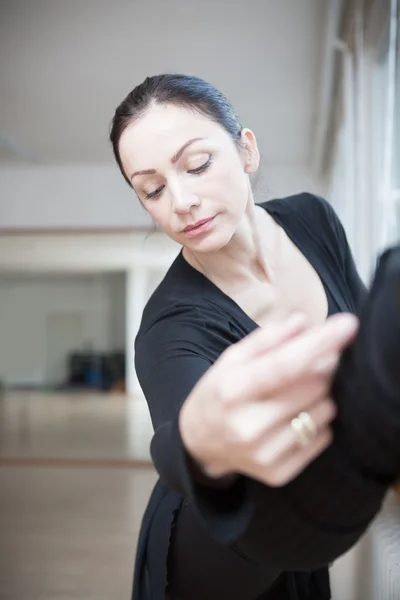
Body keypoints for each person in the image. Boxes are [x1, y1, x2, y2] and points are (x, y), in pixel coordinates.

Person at [109, 74, 400, 600]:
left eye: (197, 165)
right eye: (151, 189)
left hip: (306, 513)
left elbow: (359, 339)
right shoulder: (170, 326)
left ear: (246, 151)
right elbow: (176, 453)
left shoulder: (313, 219)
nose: (181, 201)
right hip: (217, 535)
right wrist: (198, 440)